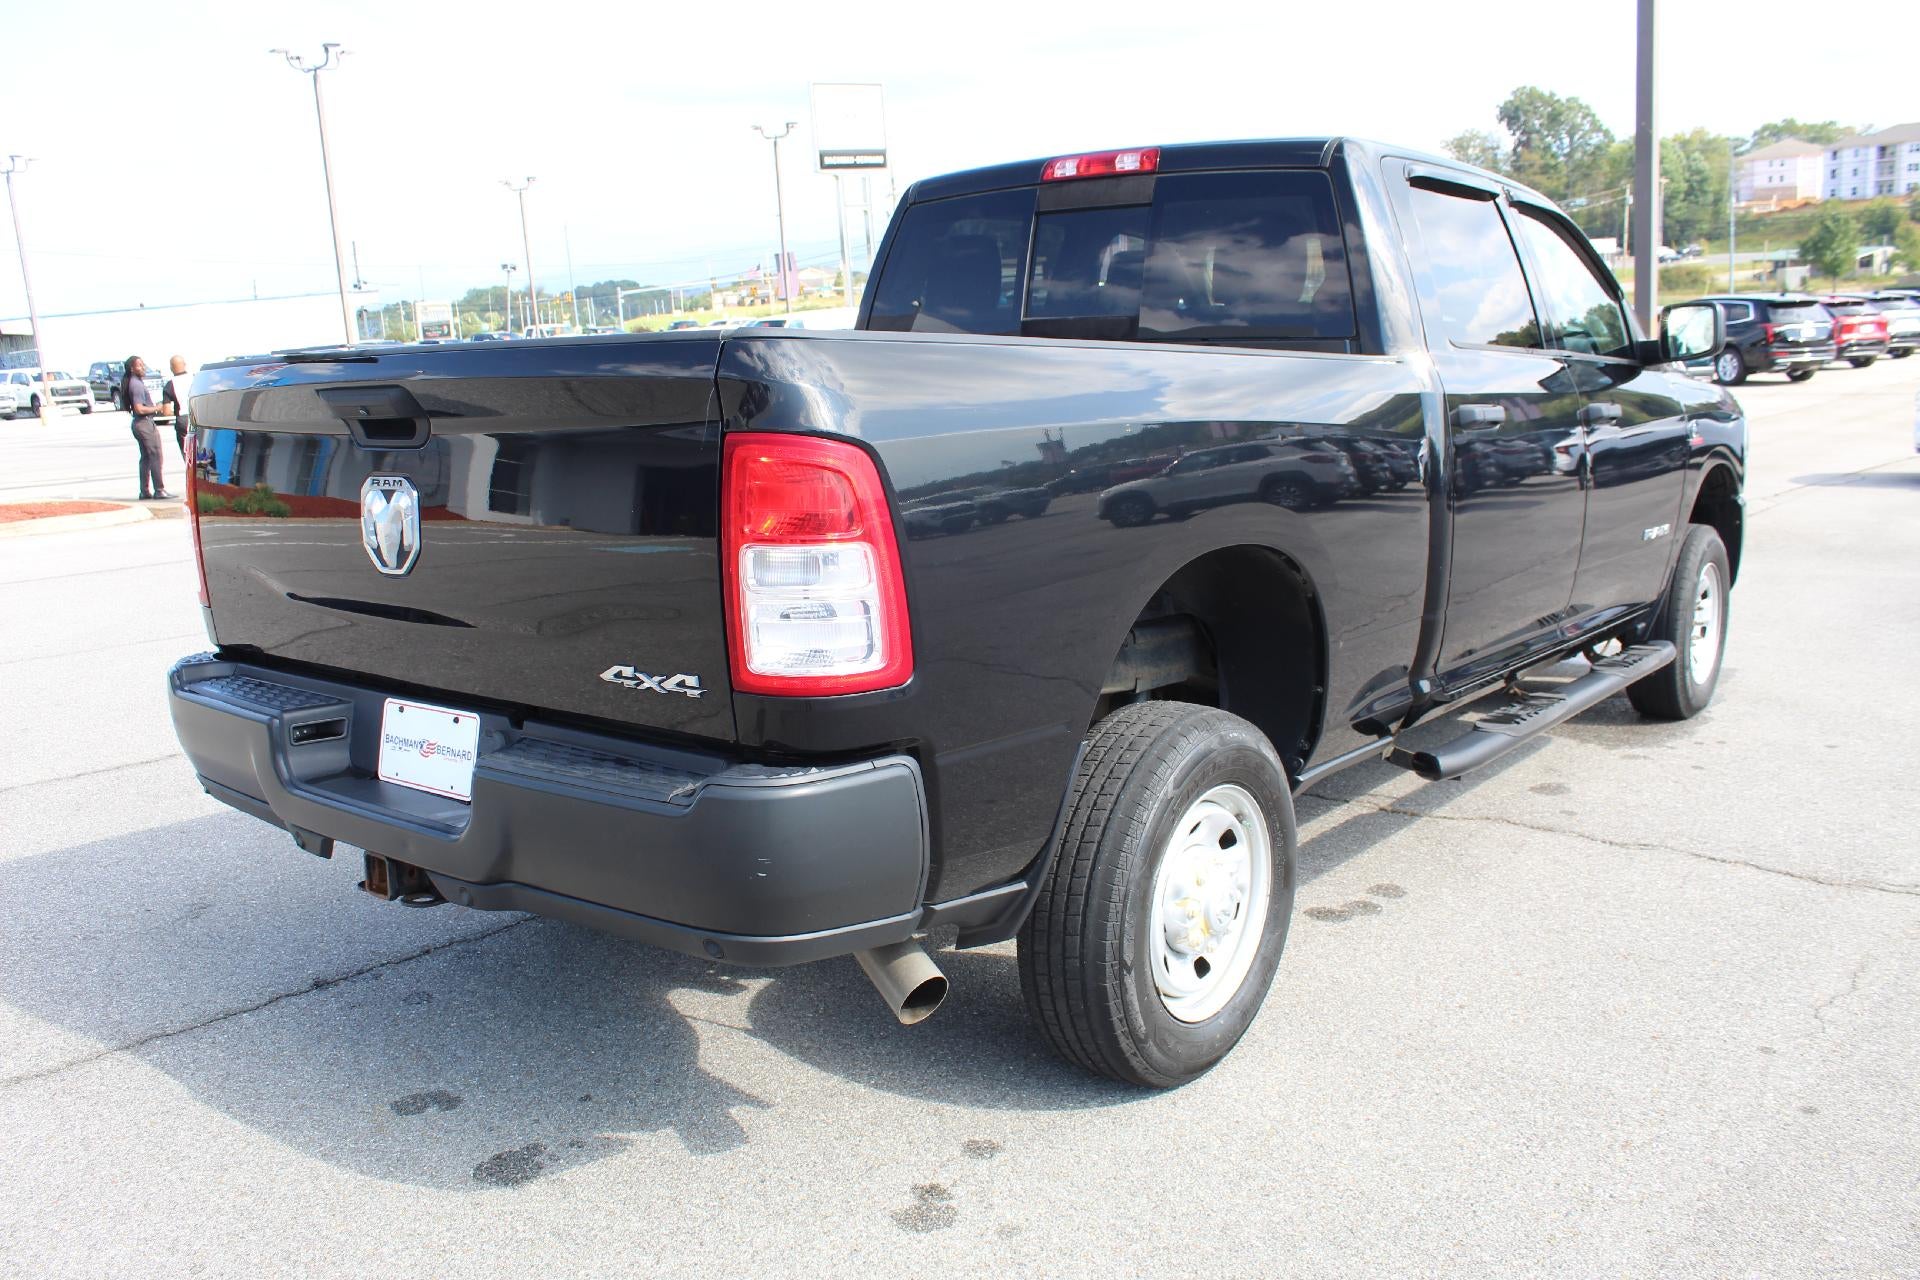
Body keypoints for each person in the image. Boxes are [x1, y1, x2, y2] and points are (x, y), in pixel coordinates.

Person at [123, 356, 171, 501]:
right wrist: (157, 408)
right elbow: (139, 409)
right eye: (139, 365)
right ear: (132, 368)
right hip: (144, 424)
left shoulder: (134, 382)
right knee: (155, 456)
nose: (143, 367)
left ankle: (144, 491)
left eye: (143, 365)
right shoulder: (136, 385)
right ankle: (159, 490)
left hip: (139, 424)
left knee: (146, 458)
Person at [161, 354, 192, 458]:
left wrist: (176, 411)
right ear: (185, 364)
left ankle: (191, 472)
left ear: (171, 368)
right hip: (199, 417)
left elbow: (166, 412)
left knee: (187, 454)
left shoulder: (170, 385)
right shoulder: (195, 379)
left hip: (183, 419)